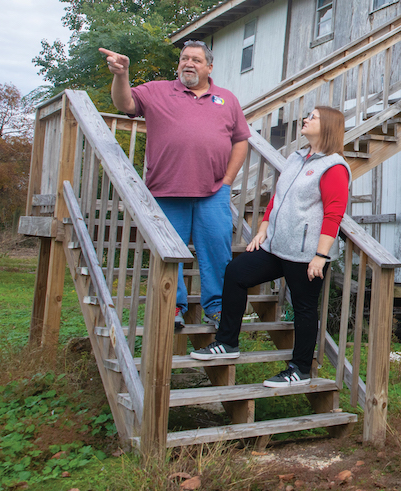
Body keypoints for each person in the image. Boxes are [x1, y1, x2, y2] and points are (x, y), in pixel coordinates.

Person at [190, 106, 350, 388]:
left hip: (306, 253)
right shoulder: (297, 157)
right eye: (308, 115)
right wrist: (263, 229)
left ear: (327, 127)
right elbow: (277, 198)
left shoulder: (334, 167)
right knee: (237, 273)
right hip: (276, 245)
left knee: (304, 307)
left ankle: (300, 369)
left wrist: (320, 256)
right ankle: (227, 342)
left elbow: (333, 214)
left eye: (312, 117)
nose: (305, 119)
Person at [99, 41, 250, 331]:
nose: (188, 63)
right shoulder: (157, 90)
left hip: (212, 192)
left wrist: (227, 181)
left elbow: (240, 140)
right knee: (170, 254)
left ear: (209, 67)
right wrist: (121, 75)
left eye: (195, 59)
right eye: (184, 59)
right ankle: (174, 307)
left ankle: (217, 308)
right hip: (166, 191)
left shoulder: (227, 99)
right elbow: (125, 104)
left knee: (218, 252)